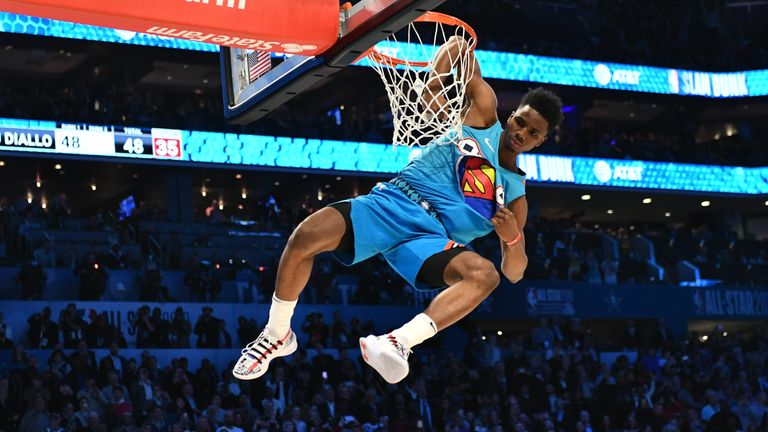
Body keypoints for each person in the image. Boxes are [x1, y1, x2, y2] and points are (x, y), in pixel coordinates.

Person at [232, 35, 563, 383]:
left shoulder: (515, 198)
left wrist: (511, 240)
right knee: (305, 236)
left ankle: (399, 342)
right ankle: (277, 334)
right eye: (521, 122)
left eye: (533, 132)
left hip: (428, 238)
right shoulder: (483, 114)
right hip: (391, 201)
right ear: (512, 116)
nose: (522, 132)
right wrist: (432, 85)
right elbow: (456, 46)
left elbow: (515, 272)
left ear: (541, 141)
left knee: (486, 275)